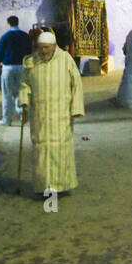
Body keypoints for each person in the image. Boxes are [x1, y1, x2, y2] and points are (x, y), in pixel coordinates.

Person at [17, 30, 85, 197]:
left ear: (54, 46)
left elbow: (77, 84)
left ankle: (61, 185)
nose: (43, 51)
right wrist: (24, 101)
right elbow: (24, 84)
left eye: (47, 47)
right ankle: (44, 186)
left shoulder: (66, 59)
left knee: (60, 150)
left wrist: (76, 108)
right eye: (40, 48)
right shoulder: (32, 61)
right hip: (39, 115)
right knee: (41, 151)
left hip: (61, 115)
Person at [0, 15, 32, 126]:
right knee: (20, 92)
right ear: (17, 22)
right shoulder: (25, 36)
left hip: (8, 68)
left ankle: (7, 119)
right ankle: (22, 112)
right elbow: (30, 50)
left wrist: (1, 60)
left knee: (7, 93)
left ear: (8, 23)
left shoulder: (5, 36)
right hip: (21, 67)